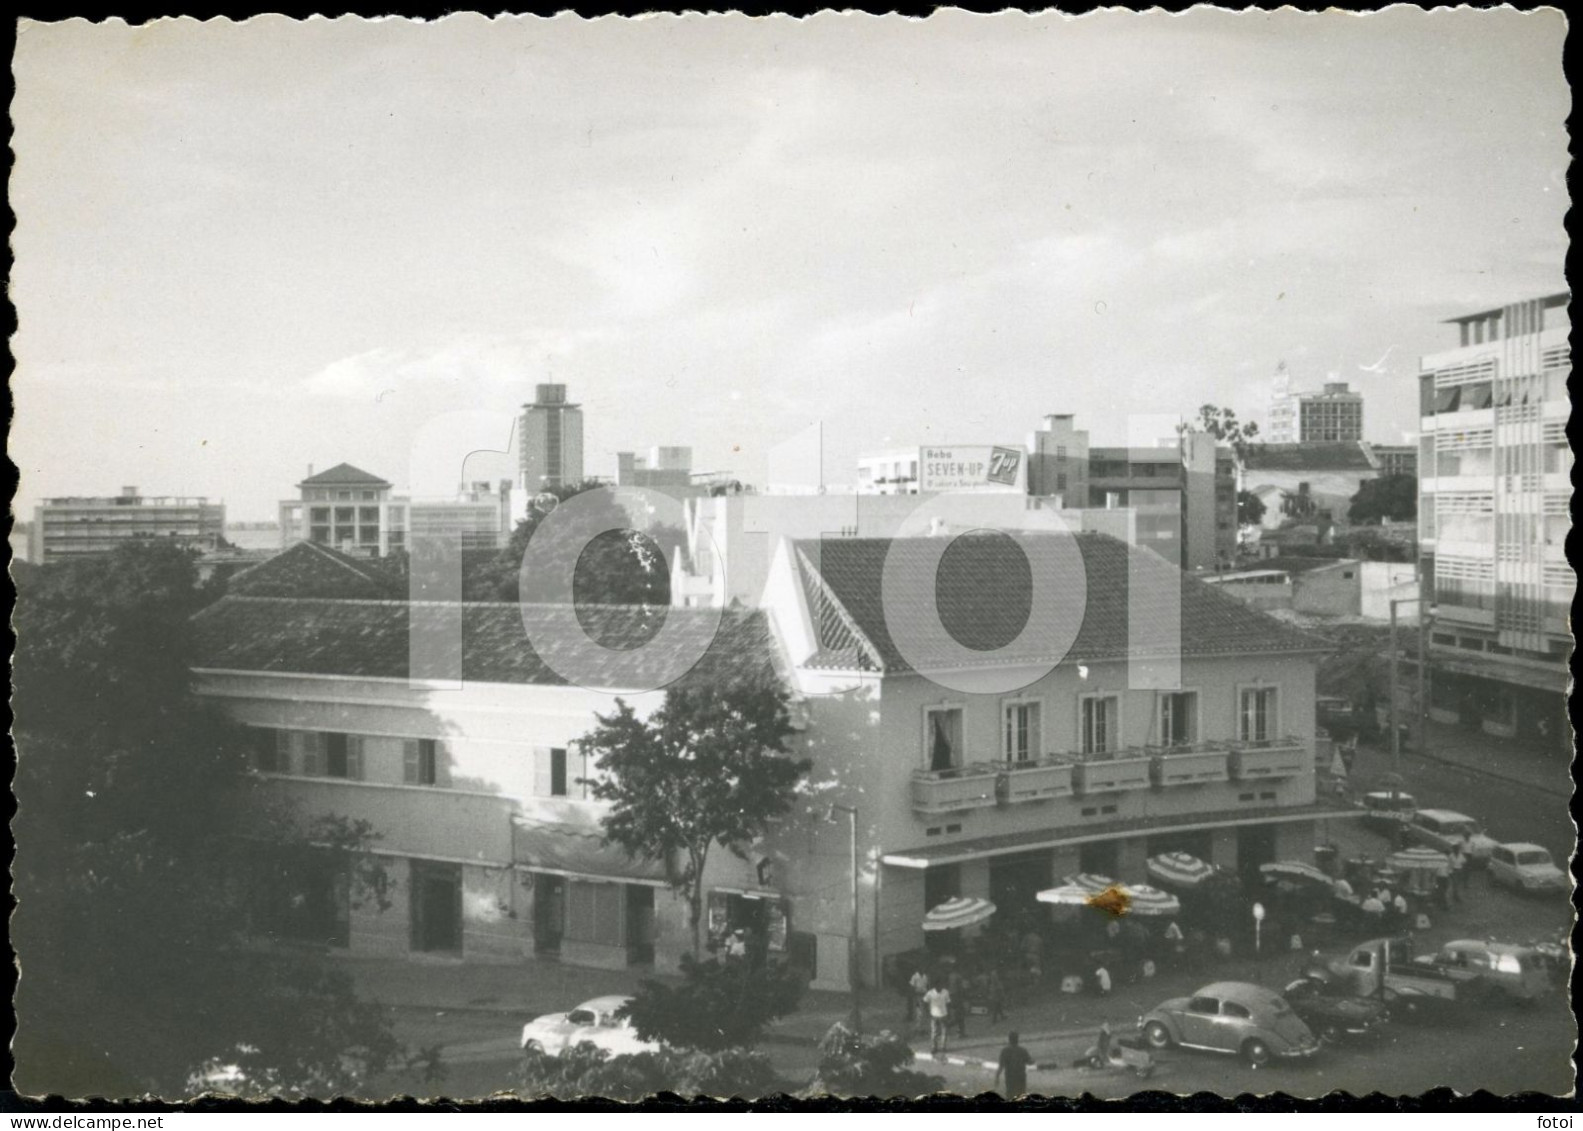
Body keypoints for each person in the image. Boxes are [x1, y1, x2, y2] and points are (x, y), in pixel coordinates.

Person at [994, 1031, 1033, 1098]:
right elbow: (1030, 1062)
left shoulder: (1005, 1051)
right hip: (1021, 1076)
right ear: (1017, 1039)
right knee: (1021, 1094)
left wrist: (997, 1077)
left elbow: (1001, 1066)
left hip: (1010, 1077)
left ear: (1009, 1040)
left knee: (1010, 1095)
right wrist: (1033, 1060)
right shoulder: (1022, 1050)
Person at [923, 982, 952, 1056]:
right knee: (934, 1032)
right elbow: (925, 1001)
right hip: (934, 1014)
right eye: (938, 986)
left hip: (943, 1014)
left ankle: (943, 1047)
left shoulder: (945, 992)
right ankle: (934, 1047)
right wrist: (927, 1011)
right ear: (935, 986)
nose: (939, 987)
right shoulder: (930, 993)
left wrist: (949, 1013)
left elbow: (948, 1003)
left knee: (944, 1031)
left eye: (940, 985)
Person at [947, 966, 969, 1039]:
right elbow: (961, 988)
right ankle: (948, 1026)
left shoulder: (950, 976)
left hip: (952, 996)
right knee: (960, 1016)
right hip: (957, 997)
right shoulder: (958, 977)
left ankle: (961, 1032)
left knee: (958, 1015)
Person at [908, 967, 930, 1035]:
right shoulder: (915, 976)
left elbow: (927, 986)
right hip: (917, 995)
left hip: (924, 995)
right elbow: (912, 986)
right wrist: (913, 995)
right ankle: (918, 1028)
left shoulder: (925, 976)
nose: (922, 970)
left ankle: (924, 1028)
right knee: (919, 1012)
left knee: (924, 1011)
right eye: (921, 969)